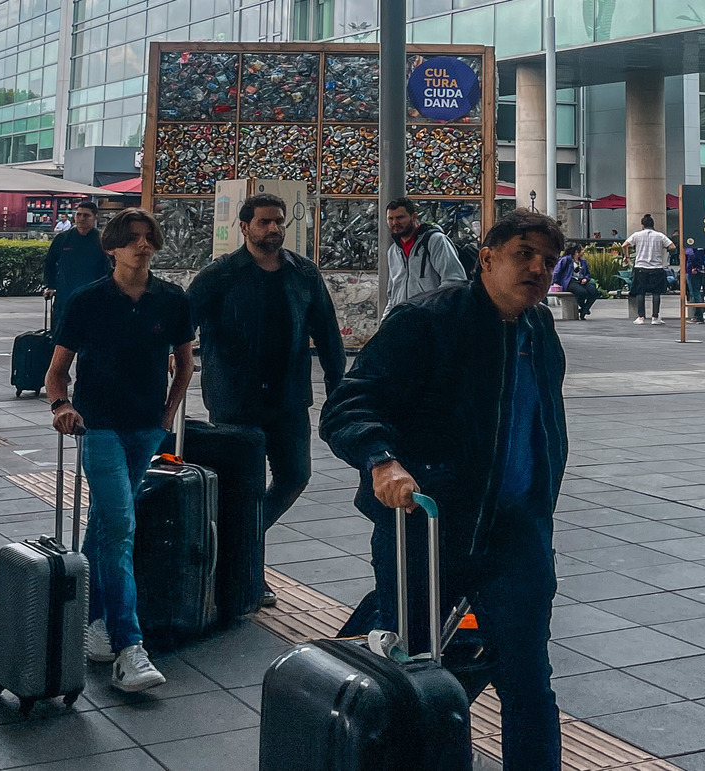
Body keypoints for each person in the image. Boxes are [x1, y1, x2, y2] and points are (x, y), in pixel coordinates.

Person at [320, 209, 568, 770]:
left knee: (527, 678)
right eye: (523, 253)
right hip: (428, 528)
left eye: (548, 261)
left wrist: (538, 508)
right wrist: (382, 461)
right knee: (412, 668)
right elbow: (348, 404)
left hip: (515, 532)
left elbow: (539, 424)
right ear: (486, 258)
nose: (537, 268)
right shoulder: (427, 321)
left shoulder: (539, 328)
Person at [45, 208, 194, 692]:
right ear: (111, 247)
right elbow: (55, 372)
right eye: (131, 239)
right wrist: (61, 406)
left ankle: (93, 619)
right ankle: (130, 647)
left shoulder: (172, 299)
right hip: (99, 427)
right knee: (122, 525)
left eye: (148, 237)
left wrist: (168, 413)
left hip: (146, 427)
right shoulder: (88, 301)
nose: (142, 246)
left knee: (108, 523)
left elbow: (185, 363)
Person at [187, 192, 346, 607]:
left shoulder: (303, 273)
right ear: (244, 227)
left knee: (295, 476)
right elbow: (181, 322)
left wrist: (338, 390)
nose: (274, 229)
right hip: (234, 401)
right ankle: (246, 575)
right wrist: (173, 358)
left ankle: (235, 542)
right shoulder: (220, 274)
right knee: (245, 487)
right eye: (264, 222)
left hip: (289, 398)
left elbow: (328, 335)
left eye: (279, 222)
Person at [383, 197, 468, 316]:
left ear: (414, 217)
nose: (394, 223)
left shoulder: (435, 241)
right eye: (390, 218)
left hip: (431, 323)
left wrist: (432, 312)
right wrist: (385, 323)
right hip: (403, 323)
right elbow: (392, 296)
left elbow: (454, 283)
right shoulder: (393, 251)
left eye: (400, 217)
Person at [42, 200, 110, 326]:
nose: (81, 218)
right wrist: (50, 285)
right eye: (79, 214)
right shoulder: (63, 238)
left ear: (95, 217)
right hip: (65, 294)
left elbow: (110, 268)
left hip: (93, 297)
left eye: (86, 215)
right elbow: (50, 262)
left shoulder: (102, 240)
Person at [623, 214, 673, 325]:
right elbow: (672, 246)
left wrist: (626, 256)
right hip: (656, 267)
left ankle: (641, 317)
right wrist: (664, 247)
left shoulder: (637, 235)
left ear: (642, 225)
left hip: (640, 267)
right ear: (652, 225)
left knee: (640, 292)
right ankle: (655, 317)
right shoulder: (660, 235)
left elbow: (624, 245)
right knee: (656, 293)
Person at [552, 244, 598, 319]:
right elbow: (557, 272)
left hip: (581, 281)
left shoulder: (583, 262)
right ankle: (584, 308)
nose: (583, 251)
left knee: (594, 292)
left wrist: (586, 278)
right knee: (582, 292)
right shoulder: (566, 260)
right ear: (577, 252)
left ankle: (584, 310)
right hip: (570, 281)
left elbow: (587, 274)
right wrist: (556, 282)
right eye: (582, 250)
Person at [685, 247, 705, 324]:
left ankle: (698, 316)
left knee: (694, 293)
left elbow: (691, 255)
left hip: (692, 271)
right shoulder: (701, 245)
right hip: (701, 270)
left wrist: (694, 266)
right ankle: (698, 316)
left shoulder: (690, 245)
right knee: (697, 292)